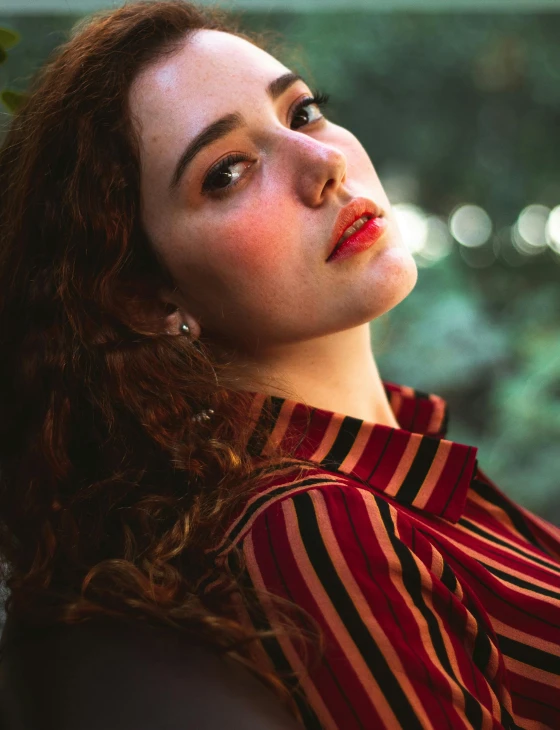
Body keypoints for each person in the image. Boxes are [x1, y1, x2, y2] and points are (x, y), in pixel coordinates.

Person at [0, 1, 559, 728]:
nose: (324, 163)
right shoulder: (317, 526)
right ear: (145, 297)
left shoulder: (403, 460)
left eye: (301, 115)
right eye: (228, 171)